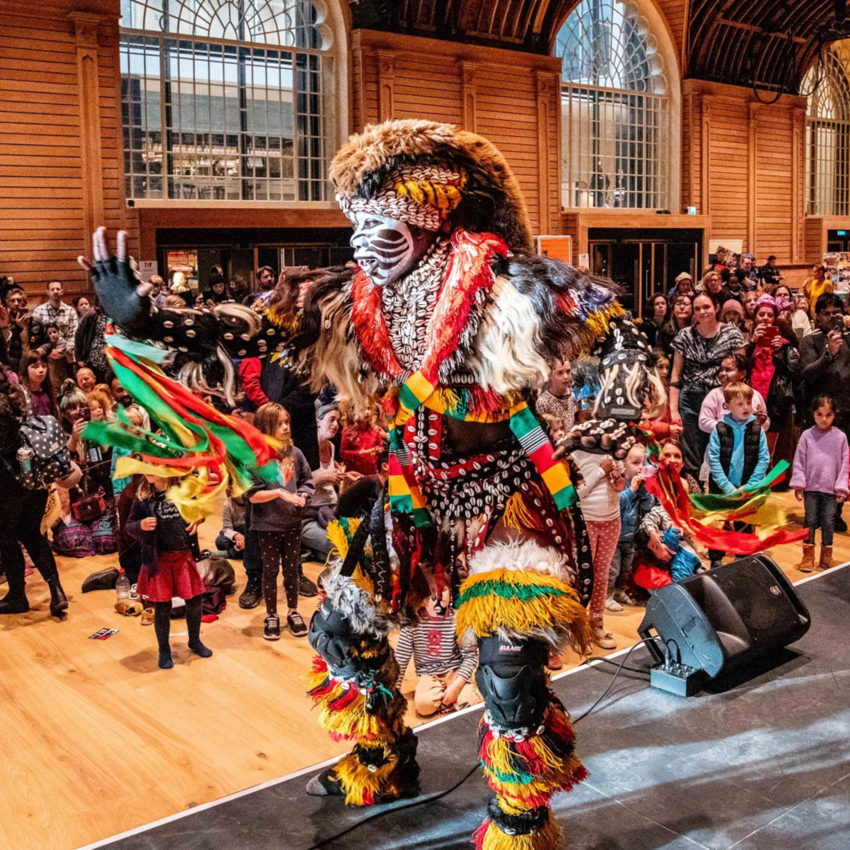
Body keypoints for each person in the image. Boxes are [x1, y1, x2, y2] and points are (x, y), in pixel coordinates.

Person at [0, 366, 70, 617]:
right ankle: (57, 591)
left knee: (6, 537)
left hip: (7, 481)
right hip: (34, 474)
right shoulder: (18, 393)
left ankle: (17, 596)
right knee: (32, 533)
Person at [126, 472, 211, 669]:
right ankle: (164, 650)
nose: (149, 470)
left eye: (154, 465)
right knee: (163, 607)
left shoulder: (184, 488)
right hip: (160, 560)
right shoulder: (142, 495)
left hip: (183, 556)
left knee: (195, 600)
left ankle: (194, 641)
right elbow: (129, 526)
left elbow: (201, 510)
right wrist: (141, 525)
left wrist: (198, 519)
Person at [248, 402, 314, 641]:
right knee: (270, 570)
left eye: (287, 422)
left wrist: (304, 494)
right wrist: (279, 493)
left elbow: (307, 480)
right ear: (267, 427)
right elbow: (252, 496)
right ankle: (272, 614)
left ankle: (293, 611)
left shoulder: (295, 454)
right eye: (280, 423)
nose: (286, 427)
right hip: (268, 525)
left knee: (292, 569)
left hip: (292, 523)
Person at [669, 292, 746, 480]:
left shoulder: (731, 333)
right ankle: (695, 497)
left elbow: (741, 370)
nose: (702, 312)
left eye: (706, 307)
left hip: (723, 398)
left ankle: (721, 495)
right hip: (690, 398)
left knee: (722, 449)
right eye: (697, 309)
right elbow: (676, 374)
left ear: (716, 308)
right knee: (692, 452)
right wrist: (673, 410)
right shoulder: (684, 335)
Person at [706, 383, 770, 568]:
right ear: (727, 405)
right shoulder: (719, 429)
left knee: (745, 527)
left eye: (748, 403)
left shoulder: (758, 429)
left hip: (746, 489)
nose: (746, 408)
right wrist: (727, 488)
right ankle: (716, 561)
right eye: (740, 404)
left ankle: (743, 563)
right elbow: (714, 461)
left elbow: (763, 459)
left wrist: (749, 486)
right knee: (719, 526)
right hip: (721, 489)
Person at [570, 447, 626, 649]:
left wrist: (619, 482)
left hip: (611, 520)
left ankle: (596, 624)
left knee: (602, 575)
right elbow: (574, 493)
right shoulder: (575, 455)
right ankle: (577, 629)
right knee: (583, 575)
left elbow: (619, 486)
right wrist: (601, 471)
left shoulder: (611, 450)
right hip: (586, 520)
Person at [394, 589, 480, 718]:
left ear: (450, 592)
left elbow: (470, 656)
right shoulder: (412, 622)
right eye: (432, 592)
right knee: (424, 706)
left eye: (442, 590)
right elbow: (401, 658)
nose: (437, 597)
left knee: (469, 702)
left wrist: (457, 686)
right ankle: (447, 702)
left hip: (455, 673)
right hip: (428, 674)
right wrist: (393, 691)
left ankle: (448, 699)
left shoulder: (459, 618)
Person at [632, 439, 702, 591]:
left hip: (682, 547)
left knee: (686, 569)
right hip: (650, 547)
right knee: (650, 577)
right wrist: (654, 542)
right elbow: (640, 521)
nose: (672, 460)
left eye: (677, 456)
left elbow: (699, 521)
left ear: (683, 462)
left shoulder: (690, 483)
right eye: (667, 455)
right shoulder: (647, 484)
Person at [790, 396, 849, 572]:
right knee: (809, 521)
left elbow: (845, 464)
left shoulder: (841, 437)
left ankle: (826, 557)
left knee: (829, 522)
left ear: (834, 415)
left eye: (828, 414)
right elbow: (799, 461)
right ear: (813, 414)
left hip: (831, 490)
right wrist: (799, 484)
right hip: (811, 489)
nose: (824, 419)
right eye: (819, 414)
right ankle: (808, 556)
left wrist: (842, 488)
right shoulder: (807, 435)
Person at [747, 294, 800, 473]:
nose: (765, 318)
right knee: (753, 441)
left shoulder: (786, 345)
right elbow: (739, 366)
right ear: (755, 317)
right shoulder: (748, 341)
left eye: (770, 315)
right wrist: (752, 343)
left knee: (780, 444)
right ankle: (754, 478)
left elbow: (795, 373)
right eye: (761, 314)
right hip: (752, 399)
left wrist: (779, 352)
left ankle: (778, 479)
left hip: (778, 400)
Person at [607, 443, 653, 610]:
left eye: (643, 463)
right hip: (614, 537)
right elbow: (615, 504)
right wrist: (631, 489)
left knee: (625, 569)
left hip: (630, 537)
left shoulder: (640, 486)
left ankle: (619, 591)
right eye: (635, 463)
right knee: (612, 570)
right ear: (623, 464)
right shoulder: (619, 483)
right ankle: (607, 595)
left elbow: (648, 505)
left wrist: (644, 490)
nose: (640, 467)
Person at [302, 403, 350, 562]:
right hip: (309, 514)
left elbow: (333, 481)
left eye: (338, 420)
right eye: (332, 420)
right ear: (318, 422)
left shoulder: (331, 446)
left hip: (330, 509)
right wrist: (323, 478)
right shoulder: (305, 448)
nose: (336, 425)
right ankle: (311, 546)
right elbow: (294, 488)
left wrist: (345, 477)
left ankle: (313, 551)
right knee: (340, 547)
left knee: (354, 540)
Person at [699, 353, 769, 435]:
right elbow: (703, 422)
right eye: (721, 370)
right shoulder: (715, 394)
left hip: (748, 444)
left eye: (728, 370)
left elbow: (765, 424)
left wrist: (762, 422)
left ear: (742, 374)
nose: (722, 374)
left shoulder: (755, 395)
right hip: (723, 444)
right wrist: (730, 428)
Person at [32, 281, 78, 368]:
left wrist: (62, 351)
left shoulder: (70, 311)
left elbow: (74, 334)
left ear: (62, 291)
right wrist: (49, 350)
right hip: (45, 358)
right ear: (48, 292)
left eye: (58, 289)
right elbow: (35, 335)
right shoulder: (39, 311)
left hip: (67, 357)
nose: (55, 291)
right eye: (52, 289)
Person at [340, 403, 385, 476]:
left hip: (372, 472)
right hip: (354, 475)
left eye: (368, 408)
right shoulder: (348, 431)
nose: (367, 412)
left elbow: (381, 446)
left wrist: (379, 449)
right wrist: (358, 454)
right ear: (353, 413)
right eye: (362, 410)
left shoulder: (375, 429)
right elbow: (342, 453)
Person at [536, 357, 575, 431]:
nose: (566, 376)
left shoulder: (575, 395)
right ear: (549, 374)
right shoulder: (543, 402)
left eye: (568, 371)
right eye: (560, 372)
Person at [75, 300, 110, 381]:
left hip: (113, 359)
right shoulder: (92, 313)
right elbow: (79, 334)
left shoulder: (118, 313)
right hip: (96, 359)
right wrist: (79, 357)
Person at [20, 351, 59, 418]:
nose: (41, 370)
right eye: (35, 367)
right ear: (25, 369)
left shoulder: (49, 391)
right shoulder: (20, 394)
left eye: (44, 366)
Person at [656, 293, 693, 358]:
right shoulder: (666, 330)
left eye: (686, 304)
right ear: (673, 309)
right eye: (678, 304)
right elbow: (659, 353)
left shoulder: (698, 329)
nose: (682, 307)